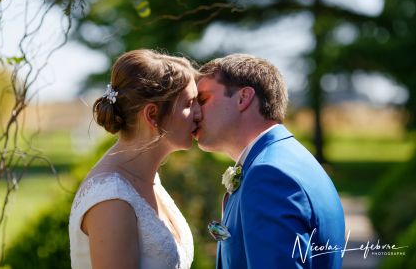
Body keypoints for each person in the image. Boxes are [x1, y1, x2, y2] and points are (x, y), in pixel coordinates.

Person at [196, 54, 345, 268]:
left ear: (243, 98)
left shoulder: (268, 174)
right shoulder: (287, 159)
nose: (195, 112)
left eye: (203, 100)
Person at [69, 49, 201, 269]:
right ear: (152, 115)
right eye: (189, 104)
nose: (199, 113)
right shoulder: (110, 198)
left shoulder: (148, 178)